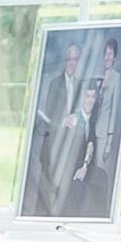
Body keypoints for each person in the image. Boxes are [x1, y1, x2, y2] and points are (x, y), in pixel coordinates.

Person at [26, 39, 87, 214]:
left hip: (71, 145)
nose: (71, 62)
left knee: (67, 189)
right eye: (69, 58)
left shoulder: (80, 84)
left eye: (75, 59)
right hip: (53, 142)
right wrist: (63, 122)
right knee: (46, 191)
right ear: (64, 61)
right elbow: (48, 115)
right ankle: (42, 219)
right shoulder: (55, 83)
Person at [46, 81, 103, 217]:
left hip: (83, 167)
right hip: (71, 171)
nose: (89, 100)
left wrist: (85, 165)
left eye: (92, 97)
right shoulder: (74, 120)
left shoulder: (91, 120)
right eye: (87, 96)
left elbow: (90, 146)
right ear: (82, 98)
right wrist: (82, 167)